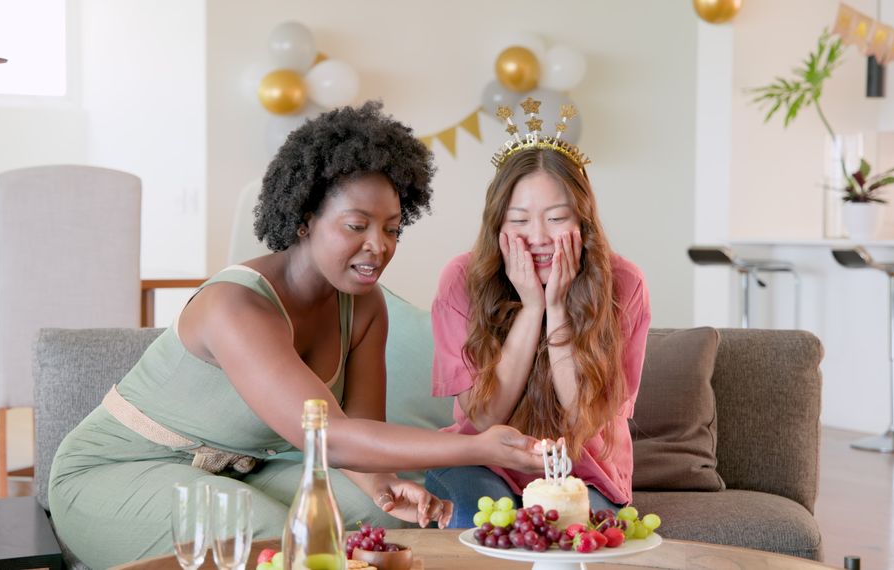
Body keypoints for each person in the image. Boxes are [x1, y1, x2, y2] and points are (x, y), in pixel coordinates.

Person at [48, 102, 544, 569]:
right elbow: (333, 439)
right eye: (357, 225)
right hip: (115, 471)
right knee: (268, 538)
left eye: (392, 229)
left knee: (382, 519)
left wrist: (382, 485)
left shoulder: (365, 305)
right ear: (306, 219)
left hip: (240, 471)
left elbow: (360, 433)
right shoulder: (235, 306)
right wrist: (480, 447)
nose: (379, 246)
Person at [424, 100, 652, 528]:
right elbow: (484, 417)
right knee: (483, 524)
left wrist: (557, 305)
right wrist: (532, 308)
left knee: (572, 536)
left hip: (583, 471)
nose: (539, 237)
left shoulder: (625, 283)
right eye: (520, 220)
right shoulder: (461, 278)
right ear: (497, 224)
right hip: (480, 463)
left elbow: (584, 416)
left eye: (557, 218)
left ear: (583, 221)